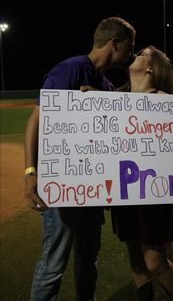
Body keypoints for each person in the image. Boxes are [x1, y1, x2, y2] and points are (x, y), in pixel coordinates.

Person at [24, 16, 136, 301]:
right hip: (62, 188)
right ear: (115, 43)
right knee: (53, 265)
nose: (131, 54)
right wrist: (30, 172)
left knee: (88, 260)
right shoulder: (71, 69)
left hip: (92, 192)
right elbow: (36, 120)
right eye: (129, 47)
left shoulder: (106, 86)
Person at [111, 45, 173, 301]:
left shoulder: (167, 102)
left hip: (155, 194)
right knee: (137, 261)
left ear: (151, 67)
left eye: (141, 53)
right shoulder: (115, 99)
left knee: (153, 262)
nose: (135, 54)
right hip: (125, 191)